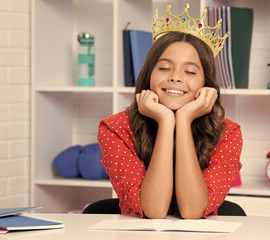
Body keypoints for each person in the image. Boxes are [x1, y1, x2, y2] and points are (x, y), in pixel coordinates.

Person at [98, 4, 242, 219]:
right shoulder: (115, 128)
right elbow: (154, 210)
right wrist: (166, 121)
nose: (175, 77)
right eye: (164, 68)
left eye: (190, 71)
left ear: (206, 82)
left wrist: (183, 120)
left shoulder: (228, 133)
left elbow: (193, 211)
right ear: (149, 74)